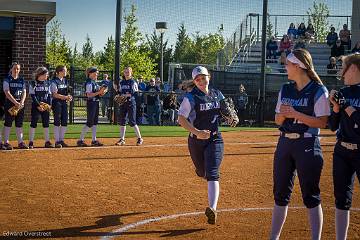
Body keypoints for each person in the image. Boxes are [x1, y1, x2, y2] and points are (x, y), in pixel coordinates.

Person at [269, 49, 330, 240]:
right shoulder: (285, 88)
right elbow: (278, 120)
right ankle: (274, 237)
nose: (285, 67)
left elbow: (322, 122)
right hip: (285, 144)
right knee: (280, 194)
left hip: (308, 144)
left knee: (311, 196)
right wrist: (284, 115)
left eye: (288, 64)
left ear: (298, 66)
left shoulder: (319, 90)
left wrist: (296, 114)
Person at [178, 66, 226, 225]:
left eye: (203, 77)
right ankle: (202, 172)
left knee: (213, 172)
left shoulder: (217, 94)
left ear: (209, 77)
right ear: (194, 81)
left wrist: (232, 116)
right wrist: (197, 132)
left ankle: (212, 208)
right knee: (202, 171)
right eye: (197, 79)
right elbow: (181, 119)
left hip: (214, 139)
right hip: (196, 141)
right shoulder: (191, 97)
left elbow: (226, 110)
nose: (200, 81)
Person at [328, 53, 360, 240]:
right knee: (342, 199)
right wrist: (336, 108)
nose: (341, 72)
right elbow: (333, 126)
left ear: (354, 69)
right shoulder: (343, 93)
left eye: (343, 67)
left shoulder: (346, 97)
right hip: (342, 152)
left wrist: (345, 105)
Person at [2, 62, 28, 150]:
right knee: (8, 123)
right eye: (14, 68)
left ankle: (20, 142)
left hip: (20, 105)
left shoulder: (22, 80)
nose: (16, 70)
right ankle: (6, 142)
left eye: (18, 69)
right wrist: (15, 102)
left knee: (19, 124)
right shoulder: (7, 79)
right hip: (10, 104)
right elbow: (7, 92)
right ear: (11, 69)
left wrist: (22, 102)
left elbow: (24, 92)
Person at [77, 67, 105, 147]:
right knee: (90, 122)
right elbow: (88, 95)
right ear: (90, 73)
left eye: (97, 73)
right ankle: (80, 140)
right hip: (91, 103)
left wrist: (101, 92)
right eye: (95, 73)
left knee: (95, 122)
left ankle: (94, 140)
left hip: (96, 102)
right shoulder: (89, 82)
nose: (97, 74)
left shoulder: (94, 82)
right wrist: (99, 92)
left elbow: (96, 93)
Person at [115, 66, 143, 146]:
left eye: (128, 72)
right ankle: (122, 139)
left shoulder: (133, 82)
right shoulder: (121, 82)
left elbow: (135, 93)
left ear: (131, 73)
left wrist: (125, 95)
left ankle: (140, 138)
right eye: (125, 72)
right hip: (123, 103)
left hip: (131, 103)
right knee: (122, 121)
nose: (126, 73)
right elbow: (119, 93)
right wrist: (117, 91)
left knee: (132, 122)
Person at [28, 67, 53, 148]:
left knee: (46, 124)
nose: (47, 75)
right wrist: (38, 105)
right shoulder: (33, 83)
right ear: (40, 74)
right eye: (46, 74)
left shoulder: (48, 83)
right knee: (33, 123)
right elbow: (33, 95)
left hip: (45, 106)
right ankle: (31, 142)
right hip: (36, 106)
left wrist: (49, 105)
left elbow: (49, 95)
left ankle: (47, 141)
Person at [51, 65, 72, 148]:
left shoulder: (65, 81)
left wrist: (69, 97)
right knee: (57, 122)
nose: (66, 72)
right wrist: (65, 97)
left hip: (64, 103)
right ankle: (57, 141)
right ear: (59, 72)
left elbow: (67, 92)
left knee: (64, 121)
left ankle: (61, 140)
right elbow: (54, 94)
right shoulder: (54, 81)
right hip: (57, 103)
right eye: (64, 70)